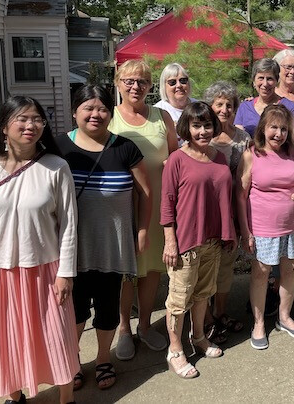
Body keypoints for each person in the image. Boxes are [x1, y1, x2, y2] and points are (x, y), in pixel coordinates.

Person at [0, 96, 79, 403]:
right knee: (7, 341)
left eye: (37, 120)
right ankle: (16, 397)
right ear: (4, 126)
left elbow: (68, 225)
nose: (31, 126)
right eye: (23, 119)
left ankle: (66, 398)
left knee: (57, 339)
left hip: (46, 271)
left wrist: (66, 273)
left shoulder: (56, 167)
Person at [56, 85, 151, 391]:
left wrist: (142, 231)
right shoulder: (58, 149)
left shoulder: (124, 148)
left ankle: (101, 359)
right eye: (88, 108)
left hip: (114, 245)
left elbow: (145, 194)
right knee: (75, 310)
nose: (95, 114)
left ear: (110, 113)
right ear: (75, 111)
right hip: (72, 249)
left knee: (108, 309)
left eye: (102, 109)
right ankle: (72, 360)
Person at [161, 101, 236, 378]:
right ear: (186, 128)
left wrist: (228, 232)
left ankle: (199, 337)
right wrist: (170, 241)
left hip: (212, 239)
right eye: (196, 125)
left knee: (204, 293)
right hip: (185, 243)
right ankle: (176, 349)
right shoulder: (177, 160)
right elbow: (167, 204)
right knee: (179, 300)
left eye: (207, 125)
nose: (203, 131)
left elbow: (223, 198)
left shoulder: (219, 157)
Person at [110, 59, 178, 361]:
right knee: (127, 273)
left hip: (158, 206)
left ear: (151, 86)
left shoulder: (162, 117)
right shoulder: (109, 118)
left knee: (151, 271)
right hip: (123, 208)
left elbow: (177, 158)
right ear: (118, 83)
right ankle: (124, 328)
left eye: (142, 81)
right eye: (129, 81)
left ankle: (146, 325)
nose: (136, 86)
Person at [236, 104, 294, 349]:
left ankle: (284, 316)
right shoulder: (251, 155)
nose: (279, 134)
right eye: (273, 128)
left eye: (284, 129)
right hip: (262, 228)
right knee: (261, 274)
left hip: (293, 225)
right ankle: (258, 323)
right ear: (263, 129)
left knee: (291, 271)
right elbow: (240, 195)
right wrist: (245, 231)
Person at [202, 81, 252, 342]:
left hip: (232, 212)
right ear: (210, 107)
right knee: (205, 266)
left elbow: (246, 181)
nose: (224, 109)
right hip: (204, 214)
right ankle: (204, 317)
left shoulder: (243, 139)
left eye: (229, 105)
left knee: (225, 266)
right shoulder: (201, 135)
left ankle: (220, 313)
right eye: (219, 104)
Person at [235, 58, 294, 136]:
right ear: (253, 81)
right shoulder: (244, 107)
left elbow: (290, 140)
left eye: (270, 78)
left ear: (276, 81)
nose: (265, 84)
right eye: (261, 78)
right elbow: (239, 139)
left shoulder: (289, 107)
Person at [154, 62, 194, 146]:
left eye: (183, 80)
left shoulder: (199, 106)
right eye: (172, 82)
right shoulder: (157, 112)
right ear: (164, 86)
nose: (179, 85)